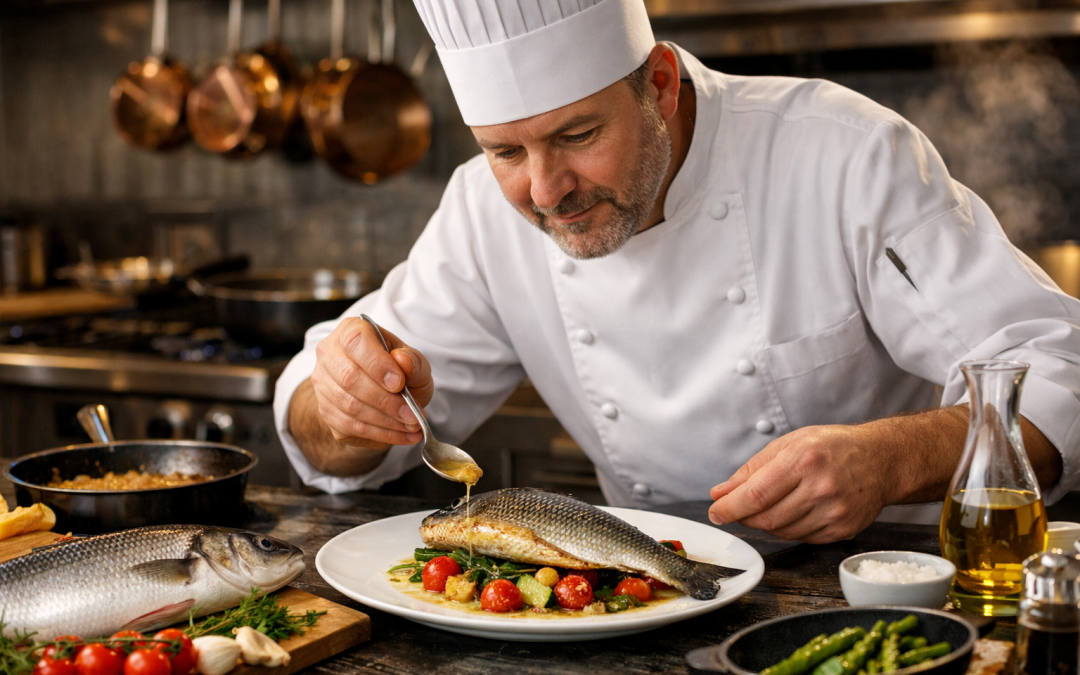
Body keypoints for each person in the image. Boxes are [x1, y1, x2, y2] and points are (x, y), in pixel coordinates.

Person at [273, 0, 1080, 543]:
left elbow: (1057, 370)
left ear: (658, 85)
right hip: (647, 607)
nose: (546, 191)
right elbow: (325, 441)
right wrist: (343, 406)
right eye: (506, 151)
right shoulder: (484, 214)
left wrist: (890, 459)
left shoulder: (842, 155)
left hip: (879, 599)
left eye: (578, 135)